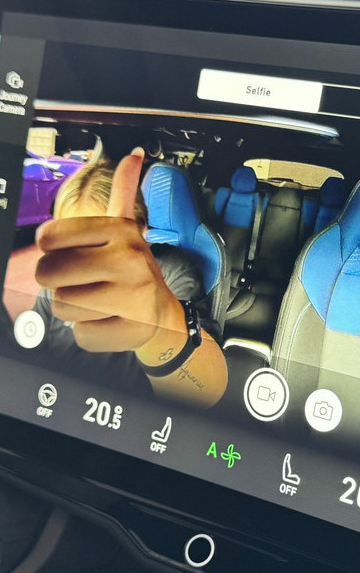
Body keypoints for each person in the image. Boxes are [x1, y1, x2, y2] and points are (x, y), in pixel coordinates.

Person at [32, 147, 229, 408]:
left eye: (98, 240)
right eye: (72, 241)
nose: (84, 260)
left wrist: (160, 325)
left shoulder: (173, 272)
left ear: (140, 229)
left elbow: (204, 389)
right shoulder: (58, 286)